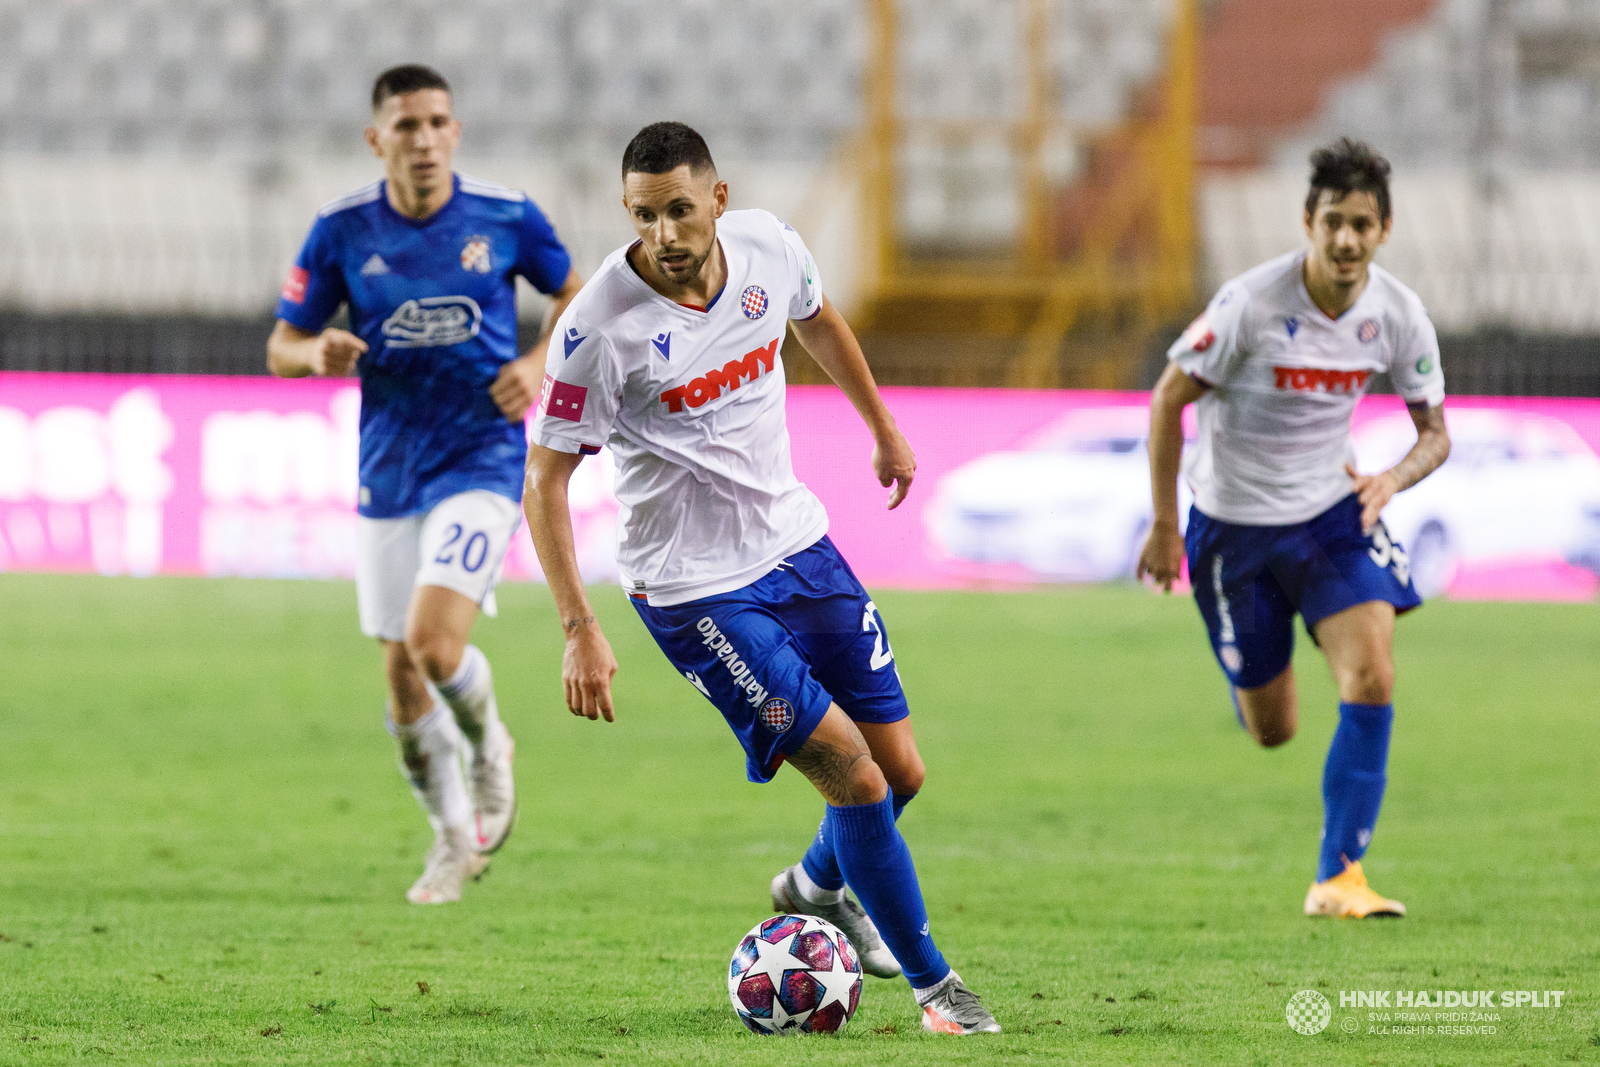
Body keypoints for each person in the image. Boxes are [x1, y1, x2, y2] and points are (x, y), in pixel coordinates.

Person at [523, 122, 1000, 1034]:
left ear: (718, 200)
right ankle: (945, 995)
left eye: (677, 209)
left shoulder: (770, 248)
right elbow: (546, 478)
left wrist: (883, 426)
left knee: (900, 770)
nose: (662, 233)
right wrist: (578, 625)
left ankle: (816, 881)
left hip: (796, 543)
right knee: (854, 779)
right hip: (694, 590)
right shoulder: (595, 329)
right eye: (642, 214)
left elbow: (819, 321)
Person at [267, 64, 583, 904]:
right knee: (402, 674)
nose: (425, 138)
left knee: (433, 644)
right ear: (378, 140)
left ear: (456, 130)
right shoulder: (339, 230)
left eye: (438, 121)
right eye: (406, 125)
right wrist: (314, 353)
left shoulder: (506, 214)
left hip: (481, 456)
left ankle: (490, 748)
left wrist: (535, 361)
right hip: (389, 468)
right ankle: (451, 835)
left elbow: (578, 294)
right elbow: (281, 344)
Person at [1138, 138, 1451, 918]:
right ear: (1308, 222)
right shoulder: (1251, 304)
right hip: (1233, 532)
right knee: (1272, 729)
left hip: (1329, 517)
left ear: (1384, 231)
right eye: (1334, 222)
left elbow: (1436, 433)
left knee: (1373, 674)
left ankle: (1337, 877)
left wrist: (1391, 477)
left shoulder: (1398, 316)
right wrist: (1164, 524)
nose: (1347, 240)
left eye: (1363, 225)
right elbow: (1167, 397)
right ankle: (1251, 670)